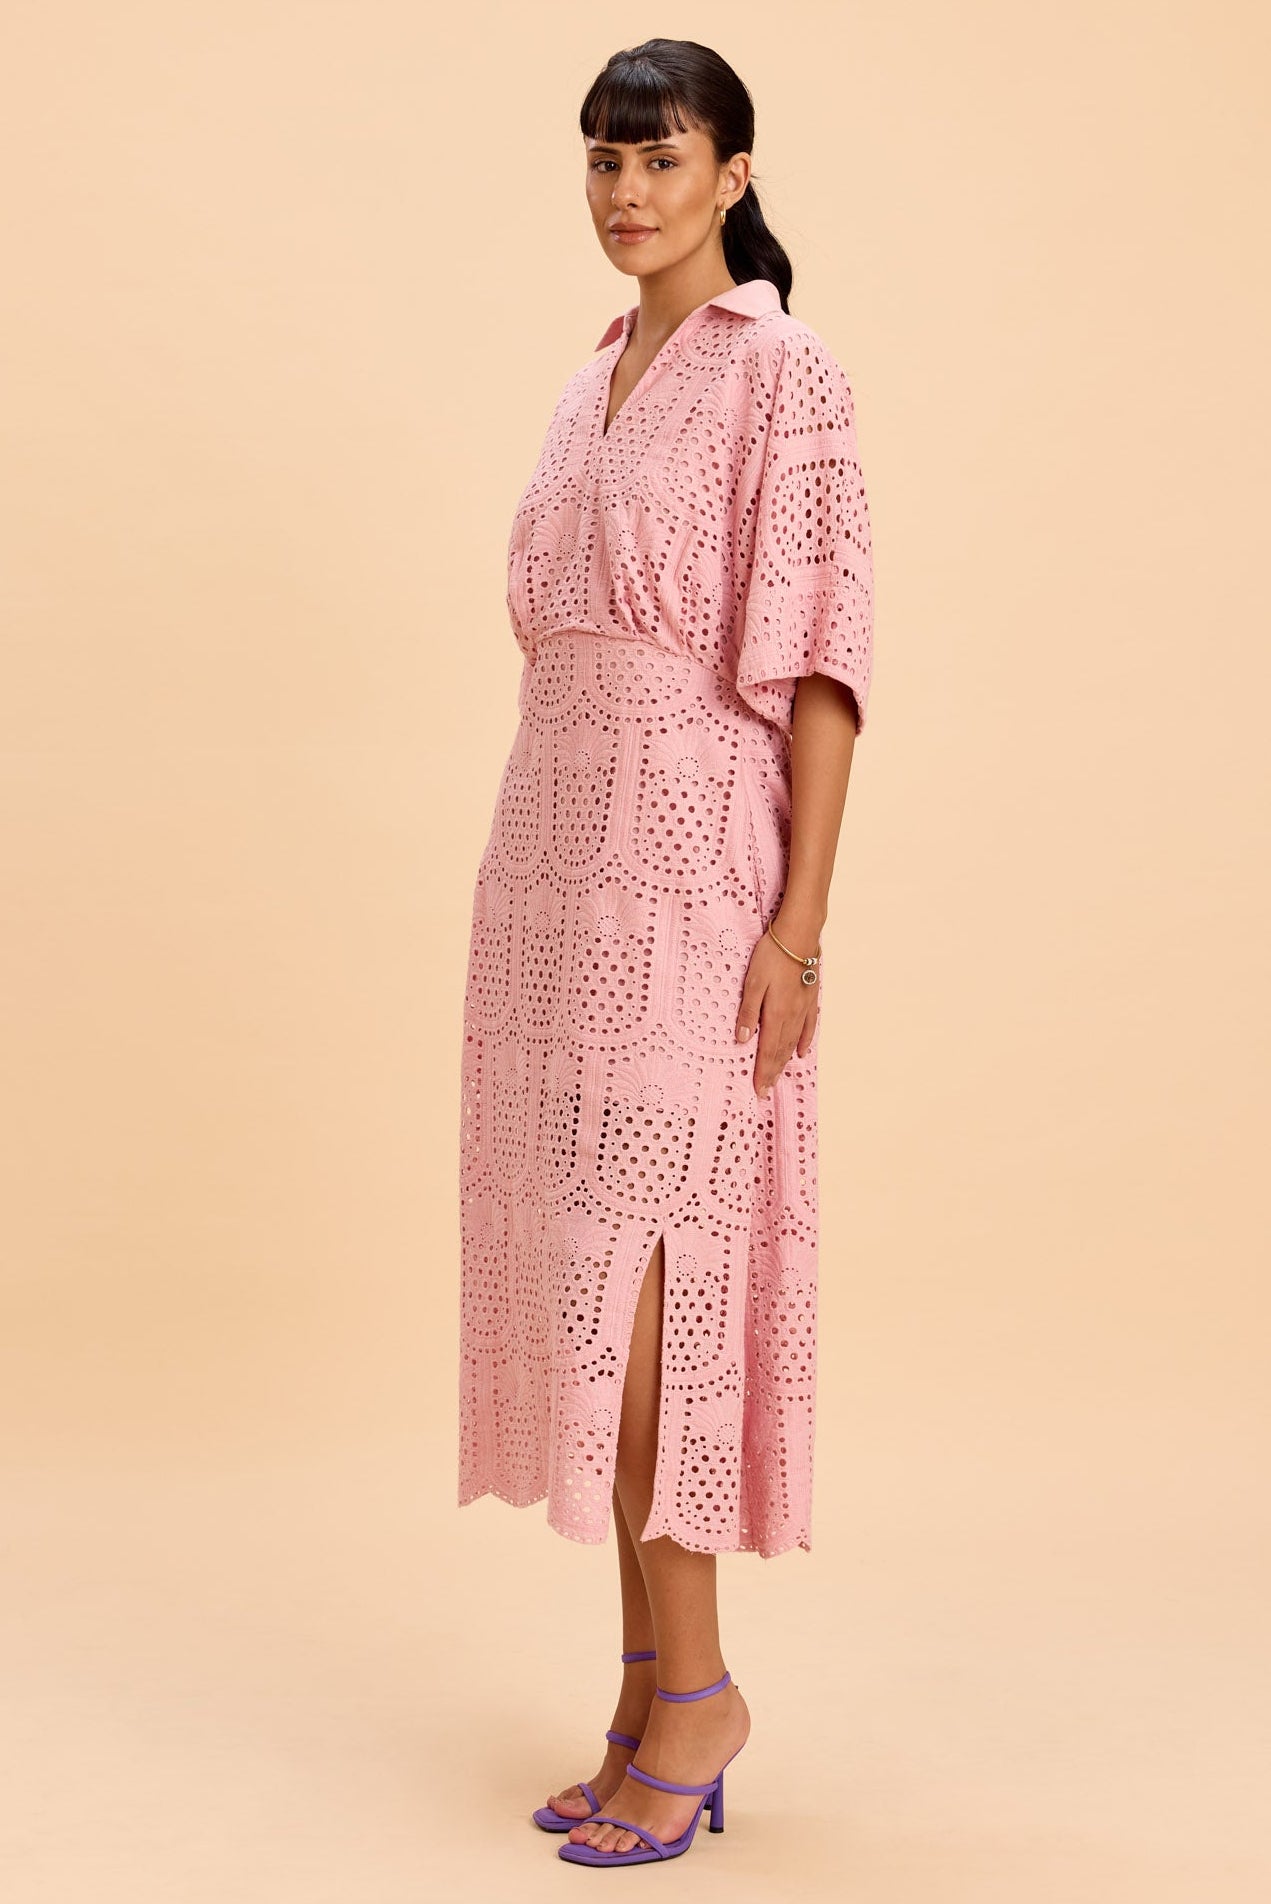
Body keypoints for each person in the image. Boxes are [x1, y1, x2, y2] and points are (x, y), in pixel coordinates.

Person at [457, 38, 875, 1867]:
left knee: (658, 1309)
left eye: (662, 154)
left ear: (733, 171)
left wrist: (800, 928)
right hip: (551, 873)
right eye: (603, 158)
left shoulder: (789, 375)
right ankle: (642, 1687)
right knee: (582, 1292)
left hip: (697, 878)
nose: (627, 188)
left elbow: (825, 666)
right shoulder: (585, 382)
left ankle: (700, 1696)